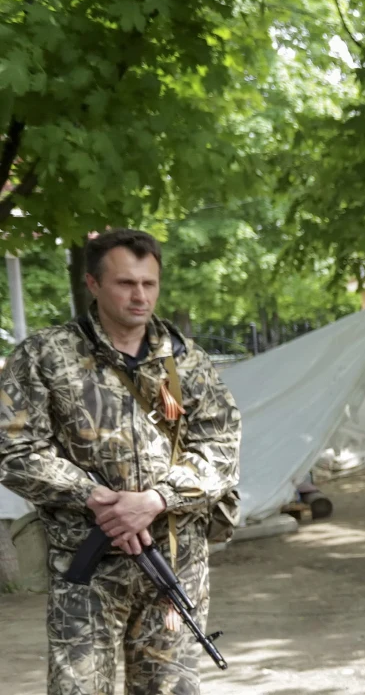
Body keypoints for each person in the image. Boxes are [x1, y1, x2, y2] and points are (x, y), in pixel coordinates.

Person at [0, 229, 241, 695]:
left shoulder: (186, 361)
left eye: (149, 284)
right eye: (126, 283)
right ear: (92, 283)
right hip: (84, 567)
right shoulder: (45, 355)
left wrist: (155, 500)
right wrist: (97, 499)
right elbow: (14, 448)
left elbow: (222, 447)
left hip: (172, 560)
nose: (140, 296)